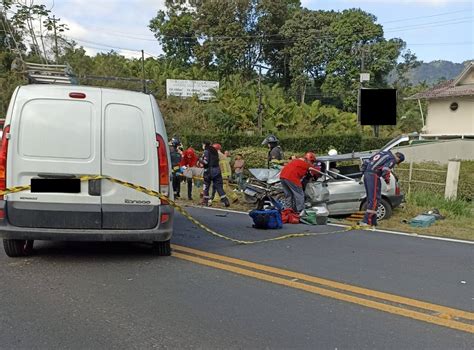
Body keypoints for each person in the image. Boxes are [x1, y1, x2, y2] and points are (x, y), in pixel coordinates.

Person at [360, 151, 405, 227]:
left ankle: (373, 221)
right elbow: (385, 170)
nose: (395, 164)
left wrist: (363, 174)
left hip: (367, 174)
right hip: (374, 176)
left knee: (373, 198)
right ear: (398, 158)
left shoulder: (382, 153)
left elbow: (366, 162)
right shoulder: (392, 159)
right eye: (397, 162)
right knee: (374, 199)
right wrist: (387, 183)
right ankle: (366, 221)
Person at [199, 141, 230, 207]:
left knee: (206, 186)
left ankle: (206, 201)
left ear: (204, 145)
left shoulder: (206, 151)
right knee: (219, 187)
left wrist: (199, 159)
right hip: (217, 171)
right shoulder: (215, 151)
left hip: (209, 171)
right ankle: (225, 201)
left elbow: (206, 162)